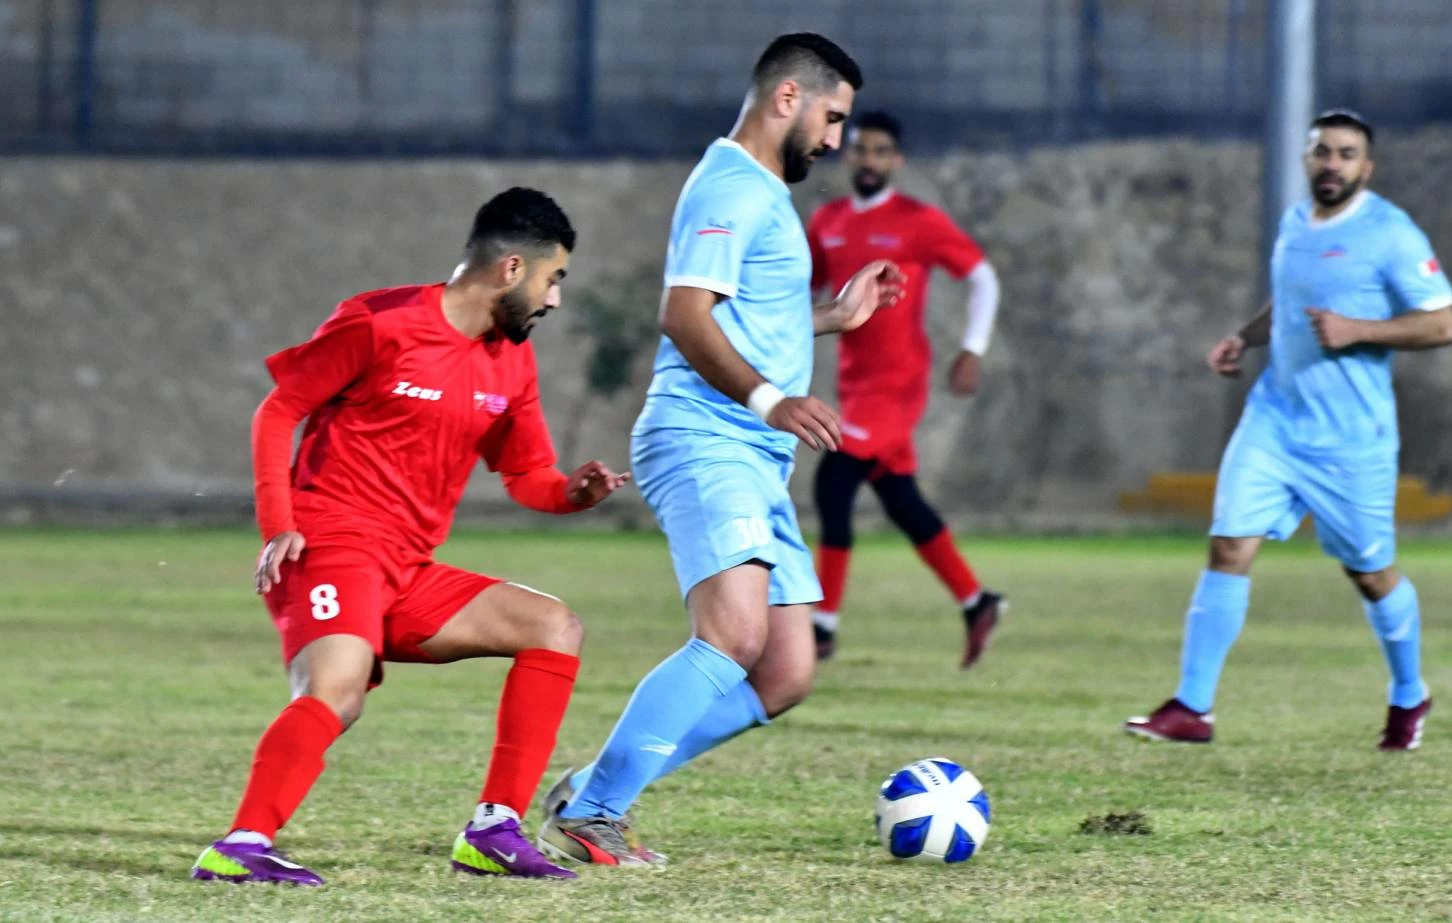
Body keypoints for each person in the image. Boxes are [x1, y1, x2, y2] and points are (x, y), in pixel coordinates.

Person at [534, 33, 901, 867]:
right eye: (832, 118)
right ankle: (596, 811)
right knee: (731, 634)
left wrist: (834, 318)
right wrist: (775, 400)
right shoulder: (730, 185)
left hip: (750, 449)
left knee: (783, 671)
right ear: (787, 99)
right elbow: (685, 316)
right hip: (705, 435)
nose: (837, 140)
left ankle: (593, 781)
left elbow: (739, 314)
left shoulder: (761, 190)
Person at [191, 187, 629, 885]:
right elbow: (280, 411)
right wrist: (280, 525)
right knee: (340, 688)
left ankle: (494, 830)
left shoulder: (510, 361)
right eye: (554, 280)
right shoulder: (379, 322)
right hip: (329, 546)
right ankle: (241, 845)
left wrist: (572, 493)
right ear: (512, 268)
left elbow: (527, 475)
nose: (555, 301)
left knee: (554, 625)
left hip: (407, 568)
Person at [1124, 110, 1452, 750]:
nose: (1331, 163)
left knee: (1370, 574)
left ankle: (1409, 694)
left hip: (1351, 438)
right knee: (1228, 547)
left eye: (1346, 154)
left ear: (1368, 167)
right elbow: (1290, 303)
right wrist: (1244, 340)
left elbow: (1441, 325)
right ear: (1307, 159)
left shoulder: (1392, 234)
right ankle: (1193, 707)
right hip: (1276, 418)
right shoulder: (1296, 222)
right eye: (1321, 151)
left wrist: (1360, 330)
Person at [805, 109, 1006, 667]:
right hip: (855, 384)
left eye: (880, 151)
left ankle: (821, 627)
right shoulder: (828, 221)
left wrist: (973, 348)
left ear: (896, 160)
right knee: (901, 502)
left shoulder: (919, 220)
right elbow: (806, 287)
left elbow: (982, 278)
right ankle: (976, 601)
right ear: (848, 154)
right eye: (861, 149)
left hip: (897, 387)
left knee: (834, 481)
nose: (869, 160)